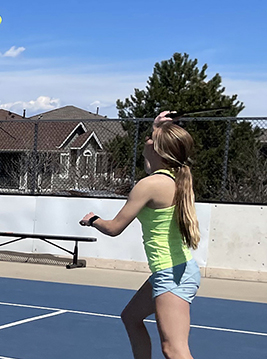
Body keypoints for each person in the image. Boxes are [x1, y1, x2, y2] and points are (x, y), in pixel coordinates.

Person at [80, 111, 199, 359]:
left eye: (149, 136)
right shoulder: (173, 177)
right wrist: (157, 126)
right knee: (131, 317)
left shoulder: (150, 185)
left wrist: (93, 219)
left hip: (171, 273)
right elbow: (152, 158)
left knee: (174, 349)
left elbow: (114, 228)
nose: (145, 138)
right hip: (173, 270)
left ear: (157, 148)